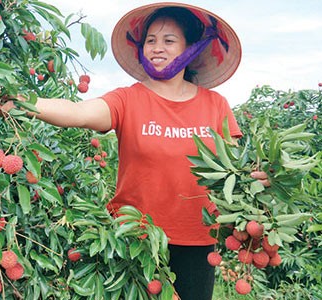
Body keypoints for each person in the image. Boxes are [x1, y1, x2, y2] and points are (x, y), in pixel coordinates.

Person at [27, 3, 268, 299]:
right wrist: (23, 102)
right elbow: (78, 113)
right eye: (151, 40)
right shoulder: (127, 99)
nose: (157, 48)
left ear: (190, 48)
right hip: (132, 238)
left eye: (169, 41)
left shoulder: (215, 104)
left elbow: (231, 171)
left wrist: (253, 180)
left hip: (196, 241)